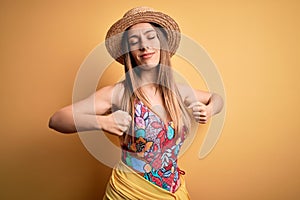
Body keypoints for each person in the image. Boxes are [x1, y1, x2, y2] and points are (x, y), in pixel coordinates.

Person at [49, 6, 223, 200]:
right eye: (134, 41)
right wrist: (102, 122)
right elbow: (57, 119)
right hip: (129, 192)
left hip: (173, 192)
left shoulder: (177, 91)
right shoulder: (118, 93)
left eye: (150, 37)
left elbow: (216, 98)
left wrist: (209, 109)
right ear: (129, 51)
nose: (144, 46)